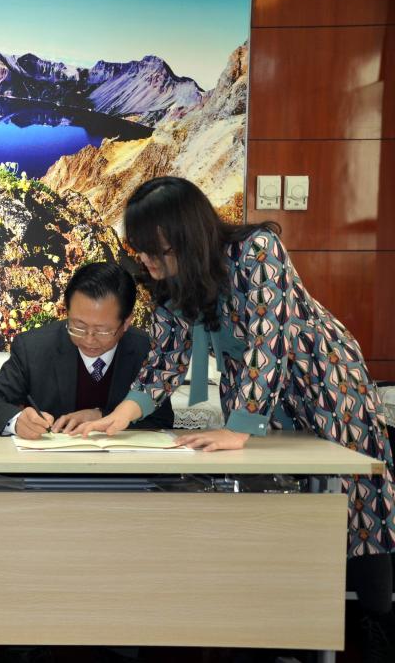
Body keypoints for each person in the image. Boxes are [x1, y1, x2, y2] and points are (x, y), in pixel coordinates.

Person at [76, 176, 394, 654]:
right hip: (253, 392)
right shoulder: (166, 280)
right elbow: (166, 356)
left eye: (155, 250)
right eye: (140, 250)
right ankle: (285, 631)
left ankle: (377, 626)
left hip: (324, 382)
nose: (146, 261)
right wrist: (120, 415)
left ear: (185, 236)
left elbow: (270, 338)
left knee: (356, 503)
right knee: (276, 507)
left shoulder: (257, 251)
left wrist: (239, 428)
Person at [0, 261, 174, 439]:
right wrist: (17, 421)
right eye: (78, 326)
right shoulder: (34, 348)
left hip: (122, 469)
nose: (89, 339)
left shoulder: (148, 351)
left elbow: (162, 420)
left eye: (102, 331)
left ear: (126, 322)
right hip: (50, 467)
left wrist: (103, 416)